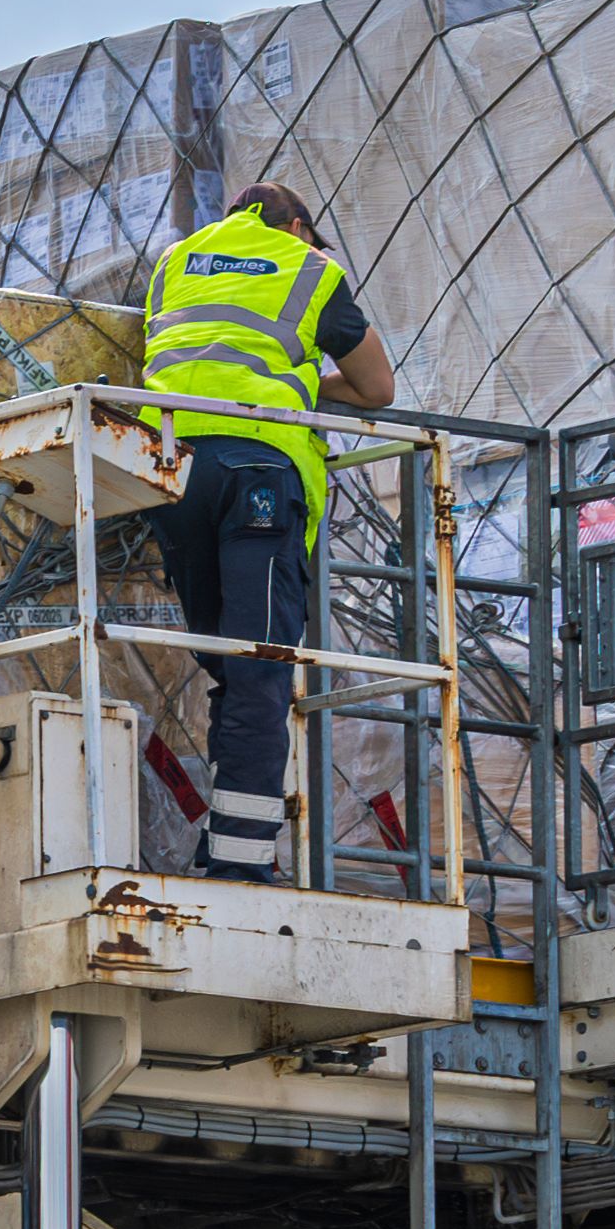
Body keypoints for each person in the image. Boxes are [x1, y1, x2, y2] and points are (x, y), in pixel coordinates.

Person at [128, 182, 395, 879]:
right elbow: (377, 389)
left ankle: (224, 838)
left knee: (227, 661)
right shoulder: (310, 268)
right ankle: (243, 864)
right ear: (298, 227)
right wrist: (304, 380)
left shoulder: (175, 262)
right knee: (261, 669)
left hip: (172, 468)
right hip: (258, 470)